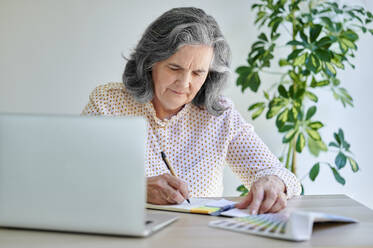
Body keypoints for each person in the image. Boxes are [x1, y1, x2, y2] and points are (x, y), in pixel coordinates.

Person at [82, 7, 301, 215]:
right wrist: (135, 188)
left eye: (198, 73)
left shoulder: (219, 115)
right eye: (174, 68)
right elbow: (72, 178)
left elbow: (279, 174)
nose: (184, 83)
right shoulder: (108, 103)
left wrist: (274, 182)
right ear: (150, 62)